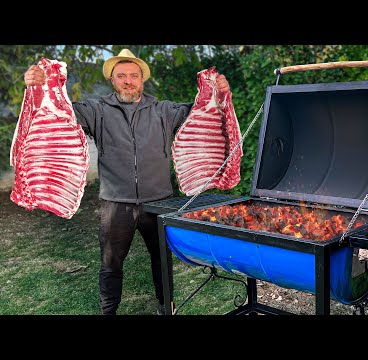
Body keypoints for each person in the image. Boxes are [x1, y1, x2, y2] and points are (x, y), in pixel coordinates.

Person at [24, 48, 231, 315]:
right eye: (121, 75)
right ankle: (108, 312)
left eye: (134, 75)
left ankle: (166, 308)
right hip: (115, 203)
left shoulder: (164, 110)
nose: (128, 81)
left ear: (142, 80)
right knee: (111, 263)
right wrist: (39, 86)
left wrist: (220, 92)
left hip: (159, 202)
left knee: (161, 262)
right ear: (112, 79)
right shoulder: (96, 110)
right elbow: (60, 111)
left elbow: (203, 111)